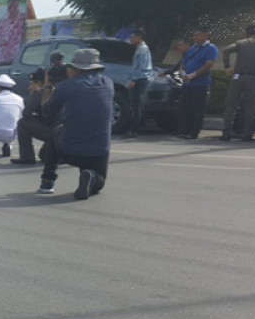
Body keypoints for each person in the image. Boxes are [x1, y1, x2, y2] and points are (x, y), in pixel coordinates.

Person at [37, 49, 114, 200]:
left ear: (76, 69)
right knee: (99, 183)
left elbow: (47, 112)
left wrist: (47, 86)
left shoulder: (66, 87)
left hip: (70, 152)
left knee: (56, 130)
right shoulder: (109, 84)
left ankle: (47, 181)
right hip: (99, 151)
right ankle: (90, 175)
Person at [221, 25, 255, 141]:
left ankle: (226, 133)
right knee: (249, 107)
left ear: (247, 34)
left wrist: (227, 67)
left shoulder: (240, 43)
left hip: (237, 76)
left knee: (231, 105)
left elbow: (226, 51)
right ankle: (246, 133)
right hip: (253, 78)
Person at [176, 29, 219, 140]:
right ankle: (183, 130)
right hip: (188, 83)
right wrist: (182, 73)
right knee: (185, 108)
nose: (195, 37)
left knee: (197, 109)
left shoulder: (211, 48)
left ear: (206, 35)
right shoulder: (193, 49)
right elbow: (184, 62)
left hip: (200, 84)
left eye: (198, 35)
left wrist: (194, 74)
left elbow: (209, 64)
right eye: (194, 35)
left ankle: (193, 132)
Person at [11, 70, 54, 165]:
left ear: (39, 83)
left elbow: (26, 113)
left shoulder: (39, 93)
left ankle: (27, 157)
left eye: (31, 84)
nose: (29, 87)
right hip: (67, 134)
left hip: (56, 133)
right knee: (44, 155)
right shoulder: (60, 89)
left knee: (23, 123)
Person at [124, 29, 153, 138]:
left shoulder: (142, 50)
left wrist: (133, 80)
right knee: (134, 105)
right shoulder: (139, 49)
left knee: (135, 106)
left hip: (140, 79)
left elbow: (142, 67)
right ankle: (133, 129)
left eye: (132, 37)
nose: (131, 39)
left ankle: (134, 130)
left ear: (139, 37)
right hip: (138, 78)